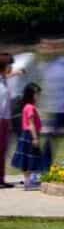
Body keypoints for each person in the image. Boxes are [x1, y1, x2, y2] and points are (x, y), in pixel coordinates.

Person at [11, 83, 48, 190]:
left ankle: (28, 181)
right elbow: (31, 124)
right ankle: (30, 181)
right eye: (37, 94)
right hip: (29, 136)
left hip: (26, 135)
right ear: (31, 95)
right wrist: (35, 138)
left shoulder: (27, 106)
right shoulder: (30, 108)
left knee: (26, 159)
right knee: (32, 159)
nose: (39, 96)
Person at [0, 53, 14, 189]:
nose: (11, 67)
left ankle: (1, 179)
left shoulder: (4, 80)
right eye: (10, 65)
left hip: (4, 120)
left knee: (3, 150)